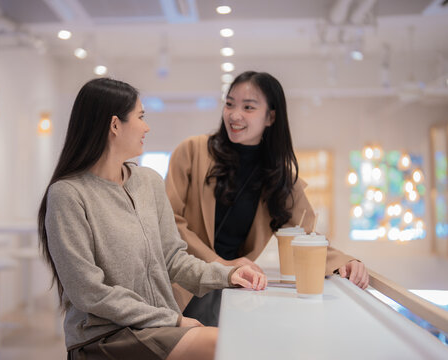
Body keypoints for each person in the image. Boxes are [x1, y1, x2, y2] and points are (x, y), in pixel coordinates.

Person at [37, 77, 267, 360]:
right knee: (223, 344)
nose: (147, 127)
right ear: (114, 125)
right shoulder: (68, 195)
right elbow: (89, 292)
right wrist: (173, 319)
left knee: (233, 340)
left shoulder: (148, 182)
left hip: (156, 326)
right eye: (141, 117)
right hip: (105, 335)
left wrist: (229, 274)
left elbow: (174, 259)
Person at [166, 71, 369, 326]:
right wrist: (221, 264)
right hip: (178, 284)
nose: (234, 114)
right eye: (229, 104)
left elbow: (303, 236)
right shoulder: (192, 151)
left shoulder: (279, 177)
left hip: (227, 291)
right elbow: (169, 223)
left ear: (271, 116)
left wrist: (346, 263)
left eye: (248, 107)